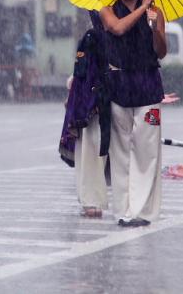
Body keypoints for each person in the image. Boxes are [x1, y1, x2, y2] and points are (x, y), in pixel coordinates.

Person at [100, 0, 167, 227]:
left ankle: (142, 211)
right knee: (120, 151)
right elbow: (117, 29)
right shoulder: (107, 10)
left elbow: (161, 52)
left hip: (149, 88)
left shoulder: (155, 13)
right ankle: (124, 212)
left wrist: (155, 29)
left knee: (147, 149)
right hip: (120, 88)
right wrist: (143, 10)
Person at [59, 11, 111, 218]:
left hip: (93, 105)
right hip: (110, 101)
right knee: (100, 152)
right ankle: (95, 201)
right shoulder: (111, 36)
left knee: (90, 153)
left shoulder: (92, 38)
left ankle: (92, 202)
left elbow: (81, 75)